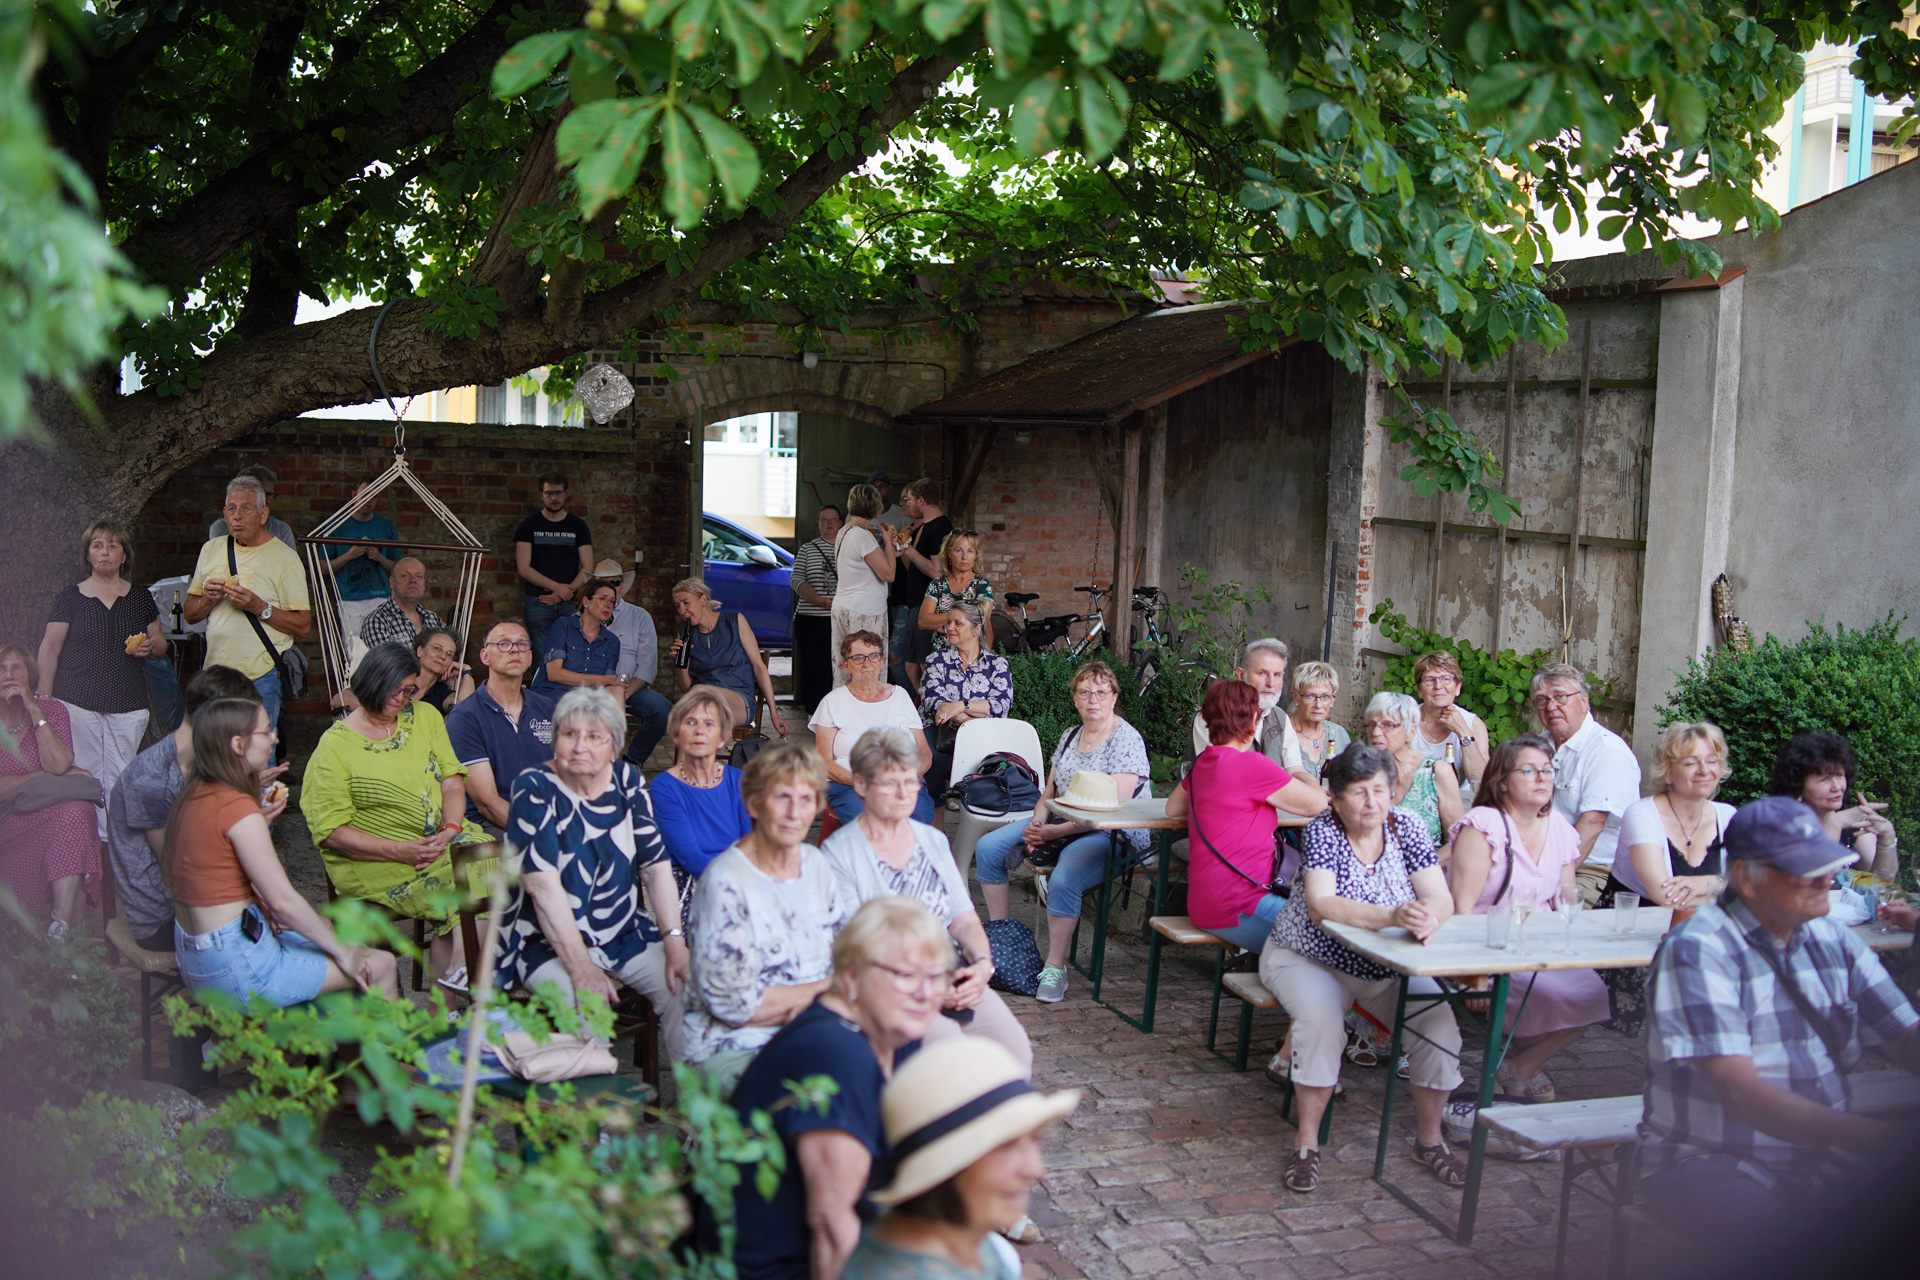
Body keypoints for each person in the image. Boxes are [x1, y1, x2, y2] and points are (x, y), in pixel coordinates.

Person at [1637, 795, 1920, 1246]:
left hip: (1819, 1153)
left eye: (1827, 864)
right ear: (1748, 879)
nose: (1826, 878)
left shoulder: (1831, 937)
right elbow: (1742, 1095)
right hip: (1711, 1160)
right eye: (1806, 870)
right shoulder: (1698, 948)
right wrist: (1879, 1139)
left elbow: (1904, 1034)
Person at [1261, 743, 1465, 1193]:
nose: (1372, 802)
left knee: (1438, 1024)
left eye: (1380, 790)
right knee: (1321, 1021)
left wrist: (1431, 915)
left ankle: (1429, 1141)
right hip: (1307, 956)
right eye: (1358, 792)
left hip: (1385, 965)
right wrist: (1392, 917)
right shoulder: (1323, 830)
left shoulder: (1407, 826)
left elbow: (1440, 896)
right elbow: (1320, 906)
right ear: (1334, 797)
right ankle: (1307, 1145)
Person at [726, 896, 947, 1280]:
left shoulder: (897, 1034)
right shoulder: (835, 1052)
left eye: (936, 976)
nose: (926, 994)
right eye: (906, 975)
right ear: (850, 978)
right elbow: (832, 1227)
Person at [821, 728, 1031, 1074]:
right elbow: (856, 952)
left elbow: (963, 919)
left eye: (911, 780)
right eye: (890, 783)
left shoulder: (931, 841)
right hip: (888, 989)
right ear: (860, 785)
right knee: (952, 1062)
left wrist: (980, 965)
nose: (904, 793)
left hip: (949, 972)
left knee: (1015, 1052)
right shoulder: (839, 856)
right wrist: (931, 984)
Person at [165, 697, 400, 1005]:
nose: (274, 739)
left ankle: (327, 1045)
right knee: (382, 964)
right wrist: (344, 955)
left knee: (326, 929)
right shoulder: (238, 810)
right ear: (238, 744)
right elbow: (282, 902)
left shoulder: (194, 793)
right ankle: (389, 1052)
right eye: (266, 732)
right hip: (237, 965)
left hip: (196, 956)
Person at [495, 687, 689, 1060]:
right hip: (543, 941)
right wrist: (581, 967)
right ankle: (590, 1108)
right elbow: (541, 887)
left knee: (685, 985)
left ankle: (697, 1109)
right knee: (587, 1005)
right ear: (556, 741)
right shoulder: (533, 788)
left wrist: (675, 941)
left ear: (614, 746)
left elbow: (656, 866)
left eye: (594, 736)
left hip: (621, 930)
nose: (580, 746)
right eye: (570, 734)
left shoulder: (627, 781)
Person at [299, 642, 490, 983]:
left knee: (489, 859)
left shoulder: (425, 717)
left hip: (436, 840)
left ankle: (456, 983)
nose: (404, 698)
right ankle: (467, 979)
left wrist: (449, 827)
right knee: (458, 878)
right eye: (397, 689)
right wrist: (400, 850)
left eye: (410, 690)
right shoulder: (335, 747)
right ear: (372, 682)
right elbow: (331, 832)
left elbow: (451, 782)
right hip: (376, 859)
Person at [683, 741, 857, 1093]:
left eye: (806, 799)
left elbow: (846, 953)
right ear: (753, 804)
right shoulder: (726, 882)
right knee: (842, 1090)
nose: (795, 812)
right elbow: (735, 1006)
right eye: (782, 798)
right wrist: (826, 995)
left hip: (814, 1026)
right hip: (737, 1044)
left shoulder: (815, 863)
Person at [973, 659, 1149, 1005]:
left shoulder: (1126, 739)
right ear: (1075, 699)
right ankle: (1004, 940)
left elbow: (1114, 808)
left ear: (1114, 697)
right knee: (989, 847)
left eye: (1101, 692)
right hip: (1060, 823)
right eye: (1084, 692)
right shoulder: (1071, 735)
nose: (1092, 700)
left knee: (1066, 875)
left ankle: (1055, 966)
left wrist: (1053, 834)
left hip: (1112, 833)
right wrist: (1037, 824)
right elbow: (1049, 792)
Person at [1446, 734, 1609, 1103]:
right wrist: (1475, 974)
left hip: (1538, 943)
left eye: (1548, 771)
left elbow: (1564, 899)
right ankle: (1521, 1064)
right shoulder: (1483, 824)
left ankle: (1519, 1066)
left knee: (1592, 992)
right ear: (1501, 781)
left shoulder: (1562, 830)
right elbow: (1461, 907)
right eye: (1529, 770)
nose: (1542, 778)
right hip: (1487, 943)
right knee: (1553, 995)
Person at [847, 1038, 1081, 1280]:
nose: (1035, 1169)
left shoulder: (980, 1241)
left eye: (1035, 1139)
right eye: (1006, 1147)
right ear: (944, 1166)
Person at [107, 666, 266, 953]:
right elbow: (179, 869)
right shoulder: (152, 780)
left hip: (200, 904)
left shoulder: (198, 763)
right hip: (164, 920)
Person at [1599, 721, 1739, 1038]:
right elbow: (1665, 897)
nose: (1704, 770)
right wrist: (1723, 885)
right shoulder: (1642, 814)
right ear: (1667, 772)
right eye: (1690, 762)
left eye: (1712, 760)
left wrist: (1708, 885)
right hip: (1635, 937)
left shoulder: (1728, 816)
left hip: (1699, 936)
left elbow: (1751, 887)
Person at [1165, 680, 1328, 951]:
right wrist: (1309, 779)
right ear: (1253, 718)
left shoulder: (1204, 762)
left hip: (1206, 903)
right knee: (1338, 937)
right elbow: (1318, 804)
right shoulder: (1252, 764)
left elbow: (1173, 809)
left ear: (1208, 720)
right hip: (1242, 903)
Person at [37, 520, 165, 838]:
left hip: (128, 701)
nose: (104, 552)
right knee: (86, 775)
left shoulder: (140, 597)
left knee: (122, 777)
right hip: (77, 699)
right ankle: (89, 847)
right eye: (97, 545)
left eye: (112, 545)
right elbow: (50, 648)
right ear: (88, 555)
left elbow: (161, 643)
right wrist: (45, 699)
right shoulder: (71, 597)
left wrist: (150, 647)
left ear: (124, 556)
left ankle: (116, 847)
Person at [184, 474, 313, 731]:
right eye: (231, 509)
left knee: (258, 756)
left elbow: (302, 625)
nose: (237, 516)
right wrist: (208, 600)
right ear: (224, 513)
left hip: (261, 676)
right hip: (216, 675)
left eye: (246, 508)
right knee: (215, 754)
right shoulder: (211, 549)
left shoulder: (285, 558)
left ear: (263, 514)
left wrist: (258, 607)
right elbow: (190, 614)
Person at [0, 644, 102, 939]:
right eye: (2, 669)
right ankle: (66, 941)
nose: (8, 676)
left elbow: (58, 764)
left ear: (30, 675)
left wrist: (34, 709)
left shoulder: (53, 711)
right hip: (8, 823)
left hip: (50, 816)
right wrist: (40, 776)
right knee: (74, 817)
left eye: (16, 668)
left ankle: (58, 926)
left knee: (76, 811)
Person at [1532, 662, 1641, 905]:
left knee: (1540, 913)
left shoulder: (1606, 751)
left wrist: (1551, 876)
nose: (1551, 707)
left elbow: (1592, 825)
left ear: (1583, 701)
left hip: (1593, 868)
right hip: (1538, 859)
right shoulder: (1538, 746)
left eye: (1560, 697)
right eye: (1542, 700)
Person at [445, 621, 555, 837]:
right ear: (485, 656)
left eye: (522, 644)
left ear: (531, 657)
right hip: (495, 825)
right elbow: (487, 803)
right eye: (504, 643)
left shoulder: (547, 707)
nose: (515, 649)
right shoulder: (466, 717)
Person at [813, 631, 936, 824]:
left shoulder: (900, 696)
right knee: (872, 824)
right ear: (846, 665)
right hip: (850, 785)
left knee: (917, 818)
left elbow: (924, 752)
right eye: (859, 658)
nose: (867, 663)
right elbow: (822, 761)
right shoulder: (833, 702)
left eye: (874, 656)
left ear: (881, 661)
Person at [650, 686, 753, 879]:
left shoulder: (739, 781)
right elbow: (690, 857)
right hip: (692, 882)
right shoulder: (664, 787)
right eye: (690, 722)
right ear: (675, 735)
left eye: (709, 724)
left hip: (741, 879)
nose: (699, 731)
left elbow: (751, 843)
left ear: (722, 738)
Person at [1768, 731, 1898, 880]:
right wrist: (1834, 824)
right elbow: (1809, 883)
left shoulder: (1852, 819)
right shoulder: (1781, 823)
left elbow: (1881, 885)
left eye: (1839, 775)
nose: (1837, 787)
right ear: (1797, 784)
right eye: (1824, 779)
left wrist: (1887, 838)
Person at [668, 577, 788, 738]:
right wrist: (682, 663)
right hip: (701, 704)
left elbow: (759, 668)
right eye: (678, 605)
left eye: (686, 602)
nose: (682, 610)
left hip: (738, 702)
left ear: (703, 599)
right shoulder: (685, 633)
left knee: (696, 700)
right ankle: (695, 762)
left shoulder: (734, 621)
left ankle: (687, 763)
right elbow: (685, 688)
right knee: (695, 715)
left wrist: (774, 713)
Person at [916, 602, 1013, 798]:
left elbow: (1001, 704)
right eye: (949, 622)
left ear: (977, 629)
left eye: (958, 623)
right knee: (934, 759)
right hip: (941, 731)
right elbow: (933, 700)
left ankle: (980, 814)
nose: (949, 627)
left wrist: (961, 705)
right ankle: (937, 818)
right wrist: (964, 720)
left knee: (991, 761)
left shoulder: (997, 665)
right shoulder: (937, 659)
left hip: (982, 735)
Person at [1361, 691, 1463, 852]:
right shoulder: (1361, 771)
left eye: (1388, 725)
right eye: (1372, 725)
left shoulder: (1436, 771)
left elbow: (1457, 841)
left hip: (1426, 870)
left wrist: (1423, 869)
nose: (1375, 733)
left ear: (1411, 732)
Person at [1188, 639, 1305, 772]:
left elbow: (1296, 770)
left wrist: (1317, 789)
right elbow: (1223, 774)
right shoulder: (1212, 716)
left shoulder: (1280, 718)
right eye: (1262, 673)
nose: (1271, 683)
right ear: (1241, 674)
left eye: (1277, 675)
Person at [514, 472, 594, 662]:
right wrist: (557, 588)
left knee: (573, 655)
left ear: (566, 494)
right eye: (549, 493)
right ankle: (542, 693)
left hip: (570, 601)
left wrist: (565, 592)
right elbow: (523, 568)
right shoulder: (528, 526)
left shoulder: (578, 526)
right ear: (541, 494)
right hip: (538, 601)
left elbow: (589, 567)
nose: (554, 498)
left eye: (558, 493)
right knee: (542, 656)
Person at [600, 556, 671, 767]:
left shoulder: (639, 616)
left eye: (614, 582)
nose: (610, 588)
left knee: (663, 711)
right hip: (591, 685)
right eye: (603, 583)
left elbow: (648, 663)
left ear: (621, 585)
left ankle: (632, 761)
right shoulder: (581, 615)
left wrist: (627, 691)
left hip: (630, 687)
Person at [832, 484, 898, 688]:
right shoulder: (863, 536)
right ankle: (866, 715)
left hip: (843, 605)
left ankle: (842, 715)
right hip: (864, 610)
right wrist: (887, 541)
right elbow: (889, 573)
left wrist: (890, 552)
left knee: (845, 667)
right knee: (867, 668)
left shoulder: (844, 532)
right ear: (875, 508)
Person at [892, 479, 952, 689]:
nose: (907, 505)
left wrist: (908, 550)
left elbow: (937, 572)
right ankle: (922, 708)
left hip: (929, 605)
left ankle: (931, 710)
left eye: (910, 500)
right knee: (910, 665)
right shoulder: (925, 527)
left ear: (922, 500)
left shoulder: (939, 528)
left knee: (924, 664)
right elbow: (914, 567)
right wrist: (903, 548)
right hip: (915, 603)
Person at [322, 477, 399, 638]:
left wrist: (379, 557)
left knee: (384, 651)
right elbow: (321, 568)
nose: (369, 500)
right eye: (364, 495)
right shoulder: (336, 525)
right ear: (353, 495)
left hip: (381, 597)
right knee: (355, 653)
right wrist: (348, 556)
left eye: (374, 496)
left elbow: (398, 568)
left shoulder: (386, 527)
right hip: (350, 601)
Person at [1410, 651, 1490, 801]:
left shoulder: (1474, 725)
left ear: (1458, 687)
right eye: (1429, 680)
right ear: (1419, 690)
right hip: (1414, 800)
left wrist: (1463, 731)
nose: (1438, 686)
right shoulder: (1406, 721)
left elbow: (1481, 784)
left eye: (1446, 679)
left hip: (1460, 802)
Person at [791, 505, 842, 714]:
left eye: (833, 519)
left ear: (840, 522)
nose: (829, 523)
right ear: (818, 523)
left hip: (840, 618)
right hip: (810, 618)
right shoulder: (807, 549)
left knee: (837, 667)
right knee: (813, 667)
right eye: (824, 519)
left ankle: (835, 711)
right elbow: (796, 579)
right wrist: (819, 600)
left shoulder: (848, 548)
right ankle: (814, 711)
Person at [915, 527, 992, 660]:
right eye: (958, 550)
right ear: (949, 553)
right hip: (940, 658)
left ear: (976, 556)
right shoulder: (937, 584)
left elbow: (981, 618)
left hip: (971, 658)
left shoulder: (982, 585)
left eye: (970, 551)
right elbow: (922, 621)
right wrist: (959, 617)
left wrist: (942, 622)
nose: (964, 557)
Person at [357, 557, 444, 649]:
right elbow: (387, 662)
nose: (413, 580)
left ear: (424, 583)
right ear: (392, 582)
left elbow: (452, 655)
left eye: (418, 576)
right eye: (405, 576)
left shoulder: (434, 619)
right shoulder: (377, 621)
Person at [1286, 661, 1350, 784]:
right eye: (1310, 696)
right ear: (1296, 697)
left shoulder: (1339, 734)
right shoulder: (1282, 732)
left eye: (1325, 696)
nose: (1318, 705)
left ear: (1333, 699)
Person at [207, 464, 296, 549]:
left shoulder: (282, 529)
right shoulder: (221, 528)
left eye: (270, 495)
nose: (266, 500)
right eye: (261, 494)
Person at [410, 627, 473, 715]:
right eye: (437, 648)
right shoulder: (399, 680)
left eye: (449, 654)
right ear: (420, 650)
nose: (443, 656)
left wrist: (466, 671)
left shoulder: (441, 692)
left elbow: (464, 710)